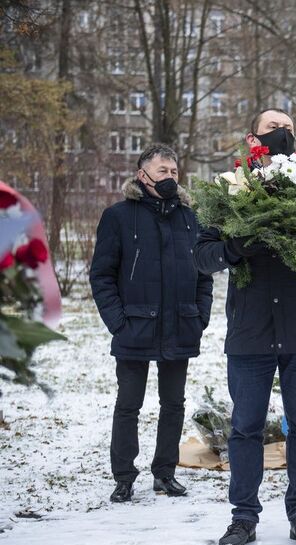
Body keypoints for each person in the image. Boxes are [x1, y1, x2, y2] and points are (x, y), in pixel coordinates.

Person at [194, 108, 296, 545]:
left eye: (287, 129)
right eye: (271, 129)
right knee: (244, 428)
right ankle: (243, 517)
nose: (281, 134)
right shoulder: (230, 191)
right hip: (251, 331)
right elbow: (202, 257)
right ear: (252, 139)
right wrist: (236, 246)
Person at [90, 144, 213, 503]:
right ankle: (124, 476)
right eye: (163, 172)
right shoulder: (118, 216)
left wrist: (199, 315)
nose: (170, 178)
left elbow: (203, 274)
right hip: (135, 328)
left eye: (174, 172)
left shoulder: (191, 218)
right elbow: (101, 276)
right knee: (129, 404)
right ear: (142, 175)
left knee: (173, 404)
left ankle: (165, 473)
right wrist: (118, 322)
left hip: (181, 325)